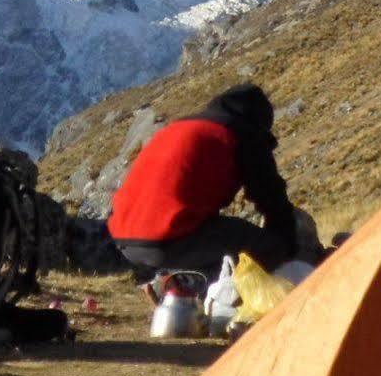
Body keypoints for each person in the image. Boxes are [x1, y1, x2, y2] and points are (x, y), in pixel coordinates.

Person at [109, 84, 317, 279]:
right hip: (165, 239)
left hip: (124, 241)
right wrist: (285, 247)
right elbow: (269, 195)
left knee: (219, 242)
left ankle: (194, 293)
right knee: (260, 245)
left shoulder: (184, 127)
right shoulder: (240, 133)